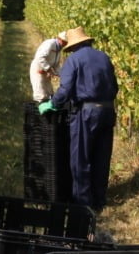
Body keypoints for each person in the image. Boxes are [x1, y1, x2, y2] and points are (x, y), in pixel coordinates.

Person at [39, 27, 118, 213]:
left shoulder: (74, 60)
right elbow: (114, 87)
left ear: (74, 46)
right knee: (101, 156)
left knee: (81, 159)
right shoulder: (104, 57)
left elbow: (65, 89)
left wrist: (53, 103)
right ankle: (99, 200)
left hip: (86, 114)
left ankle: (83, 204)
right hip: (108, 112)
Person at [28, 34, 64, 102]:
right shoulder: (50, 44)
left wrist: (62, 75)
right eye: (65, 42)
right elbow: (40, 57)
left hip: (46, 72)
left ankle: (48, 111)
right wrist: (49, 69)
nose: (66, 44)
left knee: (49, 93)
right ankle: (39, 111)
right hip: (38, 69)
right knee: (40, 95)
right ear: (60, 39)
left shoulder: (59, 48)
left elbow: (56, 65)